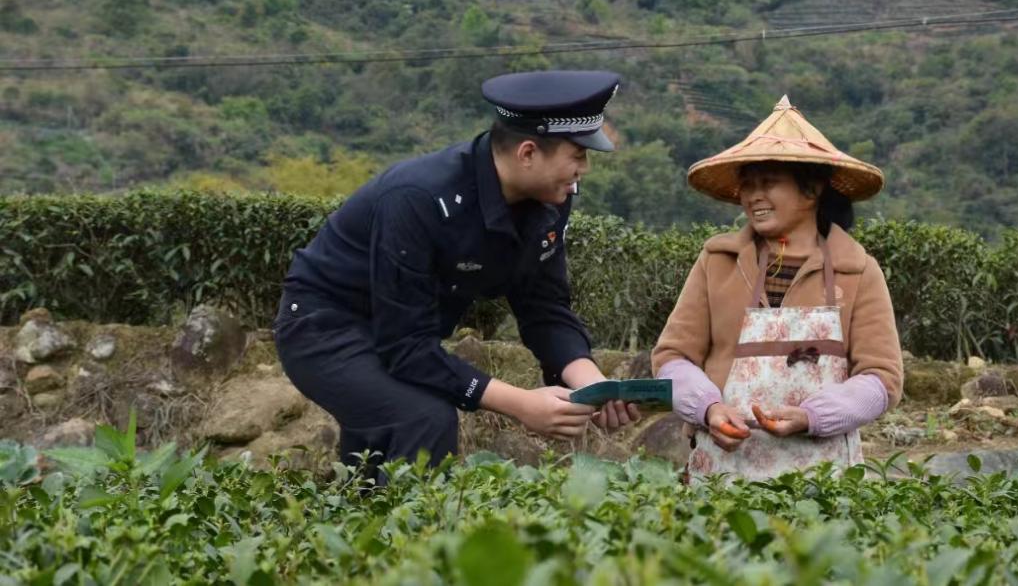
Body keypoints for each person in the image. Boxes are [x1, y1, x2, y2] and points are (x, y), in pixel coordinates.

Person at [274, 70, 639, 477]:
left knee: (391, 437)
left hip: (401, 335)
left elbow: (544, 306)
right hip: (324, 329)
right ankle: (410, 537)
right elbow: (405, 346)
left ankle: (363, 526)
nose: (583, 170)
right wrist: (521, 404)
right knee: (422, 418)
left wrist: (592, 383)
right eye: (578, 155)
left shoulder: (550, 198)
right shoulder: (419, 198)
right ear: (528, 153)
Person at [651, 96, 903, 481]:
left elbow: (881, 379)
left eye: (768, 183)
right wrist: (709, 409)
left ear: (812, 189)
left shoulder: (858, 272)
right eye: (748, 185)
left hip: (824, 478)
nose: (753, 196)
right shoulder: (717, 262)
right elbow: (672, 358)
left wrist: (812, 416)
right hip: (721, 471)